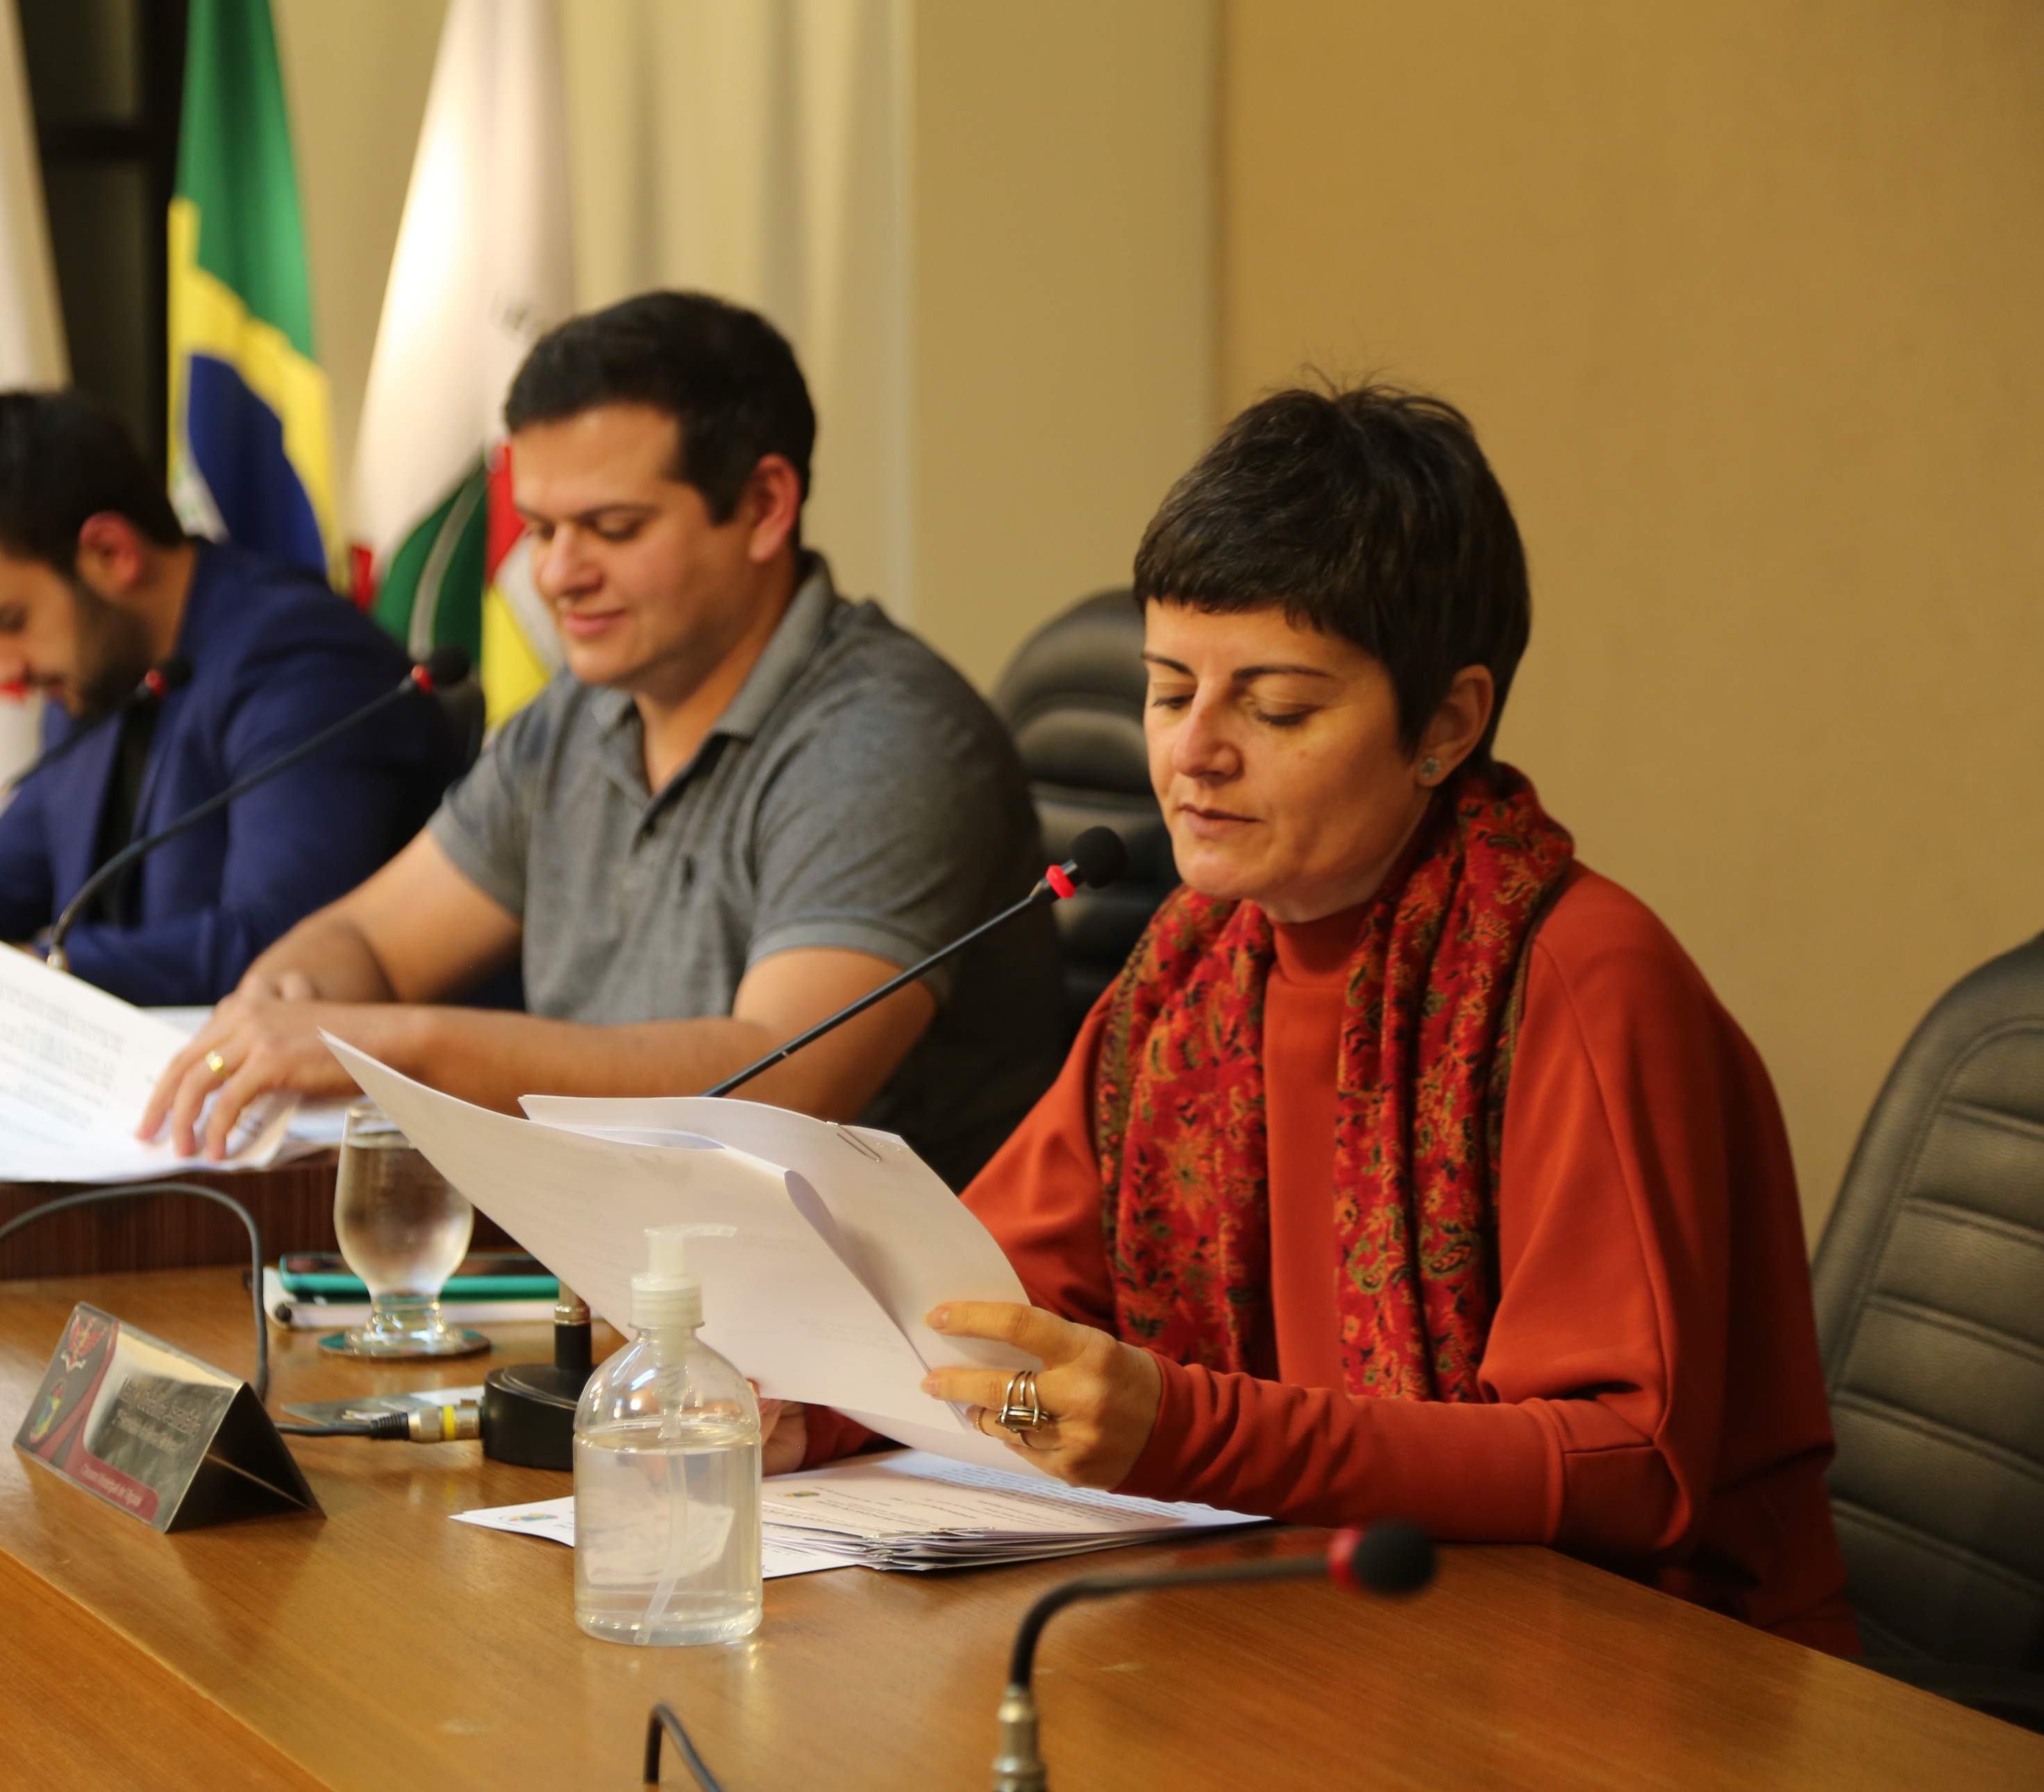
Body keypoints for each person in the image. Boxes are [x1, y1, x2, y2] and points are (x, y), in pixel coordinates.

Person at [775, 383, 1858, 1653]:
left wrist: (1194, 1432)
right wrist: (803, 1405)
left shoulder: (1576, 978)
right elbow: (988, 1300)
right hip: (1312, 1616)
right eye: (1169, 690)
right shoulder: (1186, 972)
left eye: (1275, 709)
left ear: (1445, 725)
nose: (1193, 754)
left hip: (1641, 1665)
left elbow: (1622, 1464)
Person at [144, 292, 1059, 1189]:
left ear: (766, 506)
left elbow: (776, 1084)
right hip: (623, 1274)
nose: (557, 575)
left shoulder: (890, 740)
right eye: (540, 529)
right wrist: (287, 998)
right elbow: (368, 940)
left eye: (612, 529)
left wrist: (389, 1044)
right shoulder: (578, 715)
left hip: (874, 1316)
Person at [0, 390, 459, 1007]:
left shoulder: (302, 659)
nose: (2, 670)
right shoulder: (102, 673)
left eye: (7, 621)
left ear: (111, 552)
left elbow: (276, 946)